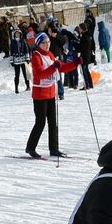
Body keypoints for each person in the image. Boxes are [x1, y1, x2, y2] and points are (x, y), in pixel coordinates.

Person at [25, 32, 79, 160]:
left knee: (53, 123)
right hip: (40, 95)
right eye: (44, 42)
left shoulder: (50, 55)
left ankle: (53, 149)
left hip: (51, 93)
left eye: (48, 42)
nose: (47, 44)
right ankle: (30, 147)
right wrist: (53, 67)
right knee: (40, 123)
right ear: (39, 44)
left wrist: (75, 63)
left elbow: (61, 68)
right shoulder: (36, 56)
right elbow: (39, 75)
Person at [8, 29, 31, 93]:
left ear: (20, 34)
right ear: (14, 34)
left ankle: (28, 86)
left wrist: (27, 58)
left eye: (18, 33)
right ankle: (16, 88)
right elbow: (11, 52)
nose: (17, 34)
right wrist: (11, 60)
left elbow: (26, 50)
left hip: (23, 60)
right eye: (16, 33)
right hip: (16, 61)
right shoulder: (12, 42)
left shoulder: (23, 41)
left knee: (25, 74)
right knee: (17, 75)